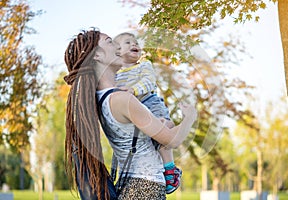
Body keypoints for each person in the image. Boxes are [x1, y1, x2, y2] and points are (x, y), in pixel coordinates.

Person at [63, 28, 197, 200]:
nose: (118, 47)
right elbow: (172, 140)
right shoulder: (122, 100)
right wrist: (190, 118)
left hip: (129, 187)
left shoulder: (100, 100)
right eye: (110, 41)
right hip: (146, 189)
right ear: (97, 55)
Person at [113, 32, 181, 194]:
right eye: (128, 42)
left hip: (149, 102)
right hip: (131, 110)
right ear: (117, 51)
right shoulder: (114, 72)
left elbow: (149, 82)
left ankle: (170, 169)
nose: (134, 44)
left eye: (135, 42)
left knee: (164, 129)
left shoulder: (144, 65)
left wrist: (133, 90)